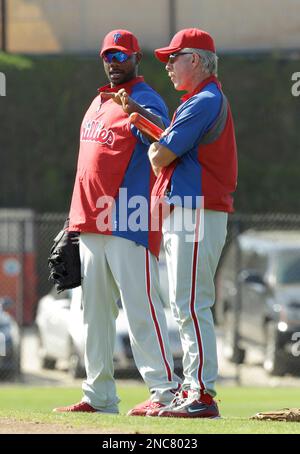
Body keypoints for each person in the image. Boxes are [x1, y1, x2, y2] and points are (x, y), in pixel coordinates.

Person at [53, 29, 180, 416]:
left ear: (136, 59)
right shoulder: (96, 103)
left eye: (122, 55)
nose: (114, 62)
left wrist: (134, 113)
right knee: (93, 316)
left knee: (141, 310)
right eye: (109, 55)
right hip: (90, 224)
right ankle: (99, 396)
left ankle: (165, 393)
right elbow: (86, 169)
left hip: (129, 220)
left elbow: (166, 142)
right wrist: (72, 223)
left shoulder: (146, 99)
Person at [146, 28, 238, 418]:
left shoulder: (203, 100)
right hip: (188, 210)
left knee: (191, 302)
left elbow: (161, 155)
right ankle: (192, 388)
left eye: (174, 58)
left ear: (196, 59)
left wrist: (156, 145)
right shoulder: (199, 100)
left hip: (196, 210)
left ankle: (201, 394)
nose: (167, 66)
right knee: (183, 303)